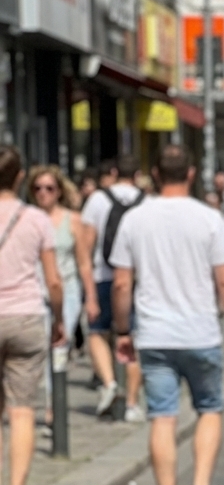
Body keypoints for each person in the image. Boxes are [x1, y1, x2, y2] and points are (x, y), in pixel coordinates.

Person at [110, 144, 224, 485]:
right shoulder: (208, 218)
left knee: (162, 417)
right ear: (190, 174)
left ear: (154, 174)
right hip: (200, 331)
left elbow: (121, 283)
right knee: (208, 408)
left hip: (154, 335)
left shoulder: (135, 220)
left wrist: (123, 331)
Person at [0, 146, 64, 485]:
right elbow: (53, 281)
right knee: (22, 410)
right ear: (21, 178)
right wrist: (58, 319)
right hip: (25, 316)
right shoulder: (36, 219)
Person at [27, 165, 95, 425]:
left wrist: (91, 297)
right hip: (34, 289)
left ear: (58, 191)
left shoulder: (72, 220)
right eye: (38, 188)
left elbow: (84, 262)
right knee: (40, 347)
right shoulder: (27, 218)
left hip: (67, 289)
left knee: (58, 345)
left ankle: (53, 407)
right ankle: (50, 401)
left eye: (49, 188)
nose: (43, 193)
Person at [80, 156, 145, 421]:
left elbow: (86, 244)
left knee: (97, 332)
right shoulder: (147, 201)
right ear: (138, 175)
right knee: (131, 339)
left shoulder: (97, 199)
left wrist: (88, 291)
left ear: (115, 172)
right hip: (136, 280)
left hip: (102, 275)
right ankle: (131, 403)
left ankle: (108, 383)